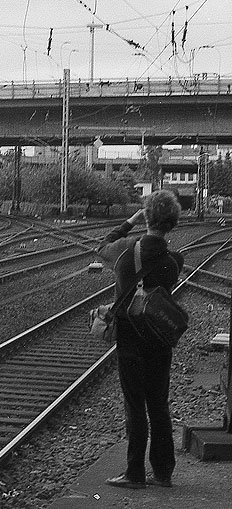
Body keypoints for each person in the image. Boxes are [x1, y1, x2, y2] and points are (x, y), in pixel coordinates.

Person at [97, 190, 184, 490]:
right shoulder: (175, 261)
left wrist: (128, 222)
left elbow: (101, 246)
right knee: (158, 403)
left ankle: (134, 473)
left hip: (131, 339)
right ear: (172, 224)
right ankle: (163, 472)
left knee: (134, 405)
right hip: (160, 338)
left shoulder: (124, 250)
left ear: (146, 217)